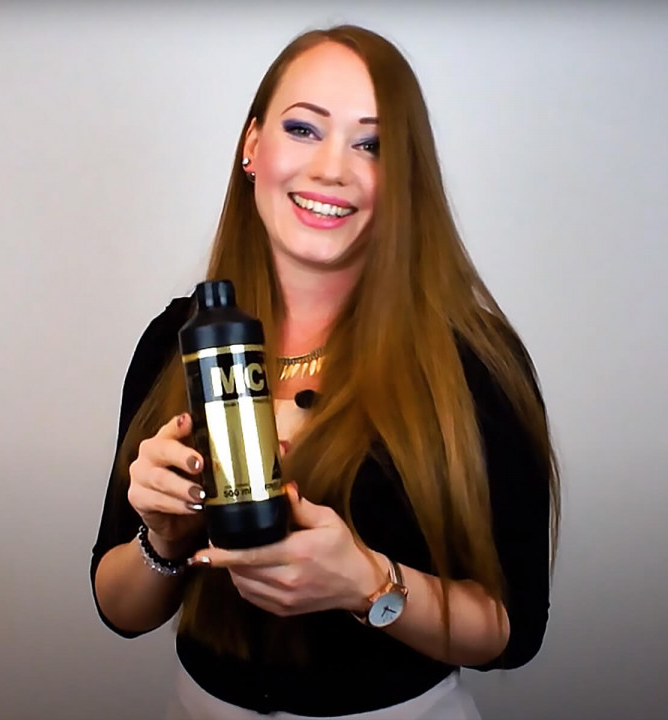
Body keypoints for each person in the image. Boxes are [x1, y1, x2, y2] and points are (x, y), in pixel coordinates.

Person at [91, 24, 560, 720]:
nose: (332, 168)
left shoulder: (474, 361)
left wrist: (368, 584)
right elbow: (119, 609)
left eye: (371, 145)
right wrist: (163, 535)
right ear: (253, 145)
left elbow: (511, 631)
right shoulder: (177, 341)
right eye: (304, 129)